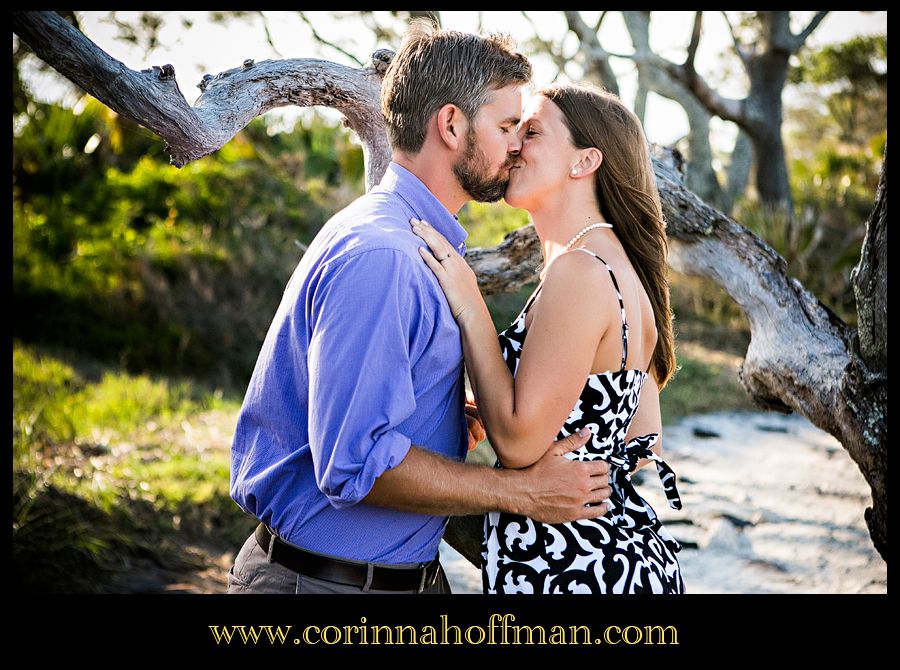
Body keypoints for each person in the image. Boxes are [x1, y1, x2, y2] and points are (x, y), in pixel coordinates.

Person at [226, 25, 613, 595]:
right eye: (507, 126)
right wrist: (523, 493)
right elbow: (356, 462)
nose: (516, 146)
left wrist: (445, 418)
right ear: (452, 124)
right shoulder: (384, 256)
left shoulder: (416, 240)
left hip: (400, 581)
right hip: (325, 587)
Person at [411, 82, 685, 594]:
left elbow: (518, 443)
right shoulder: (614, 267)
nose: (513, 144)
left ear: (584, 163)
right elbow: (637, 438)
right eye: (514, 130)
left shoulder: (581, 271)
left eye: (531, 131)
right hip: (619, 559)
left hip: (572, 569)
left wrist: (470, 304)